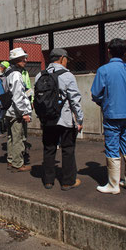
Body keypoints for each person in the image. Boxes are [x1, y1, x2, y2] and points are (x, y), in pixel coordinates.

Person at [91, 38, 126, 194]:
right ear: (125, 52)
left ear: (109, 51)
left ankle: (113, 185)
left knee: (112, 147)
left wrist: (104, 102)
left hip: (111, 114)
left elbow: (95, 93)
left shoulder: (103, 70)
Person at [35, 48, 83, 190]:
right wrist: (79, 120)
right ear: (62, 58)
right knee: (67, 149)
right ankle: (68, 181)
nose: (67, 61)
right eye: (66, 59)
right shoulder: (68, 75)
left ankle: (48, 181)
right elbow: (75, 100)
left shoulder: (39, 75)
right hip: (65, 119)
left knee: (49, 148)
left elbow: (38, 99)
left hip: (47, 119)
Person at [6, 48, 32, 172]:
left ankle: (11, 160)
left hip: (8, 110)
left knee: (11, 137)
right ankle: (18, 164)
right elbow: (18, 96)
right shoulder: (16, 74)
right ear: (16, 59)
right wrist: (24, 113)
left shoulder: (8, 72)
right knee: (19, 137)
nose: (26, 60)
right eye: (23, 58)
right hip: (16, 111)